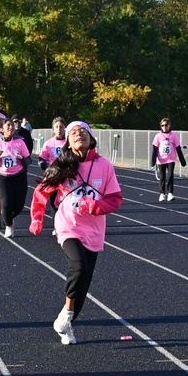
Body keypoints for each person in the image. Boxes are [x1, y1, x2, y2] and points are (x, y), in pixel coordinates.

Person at [28, 121, 122, 345]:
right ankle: (67, 315)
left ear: (91, 139)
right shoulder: (62, 164)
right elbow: (41, 192)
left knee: (84, 280)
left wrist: (95, 207)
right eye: (73, 133)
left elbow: (116, 199)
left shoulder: (105, 166)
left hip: (94, 230)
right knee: (78, 265)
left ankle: (66, 321)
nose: (78, 135)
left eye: (83, 132)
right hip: (68, 225)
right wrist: (36, 218)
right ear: (68, 142)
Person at [0, 118, 32, 238]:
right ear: (2, 129)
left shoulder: (20, 142)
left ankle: (7, 216)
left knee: (19, 205)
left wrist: (21, 158)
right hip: (1, 177)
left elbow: (29, 161)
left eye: (12, 125)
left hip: (18, 177)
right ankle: (9, 225)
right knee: (6, 203)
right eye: (8, 126)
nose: (11, 127)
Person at [150, 117, 186, 201]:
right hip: (161, 159)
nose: (164, 127)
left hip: (171, 159)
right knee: (162, 177)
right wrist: (153, 161)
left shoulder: (173, 136)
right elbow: (154, 150)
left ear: (169, 126)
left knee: (170, 175)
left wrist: (182, 161)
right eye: (162, 125)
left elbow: (178, 149)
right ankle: (162, 193)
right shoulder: (158, 136)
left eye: (166, 125)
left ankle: (170, 193)